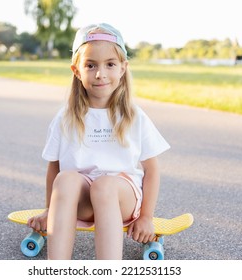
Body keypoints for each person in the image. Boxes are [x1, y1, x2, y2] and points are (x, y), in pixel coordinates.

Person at [27, 23, 170, 260]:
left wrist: (146, 217)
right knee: (66, 177)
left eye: (110, 64)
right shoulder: (65, 117)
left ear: (123, 68)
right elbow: (54, 167)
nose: (100, 74)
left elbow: (152, 169)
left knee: (104, 185)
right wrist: (50, 210)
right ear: (76, 70)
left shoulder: (134, 116)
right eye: (90, 65)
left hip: (121, 197)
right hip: (82, 200)